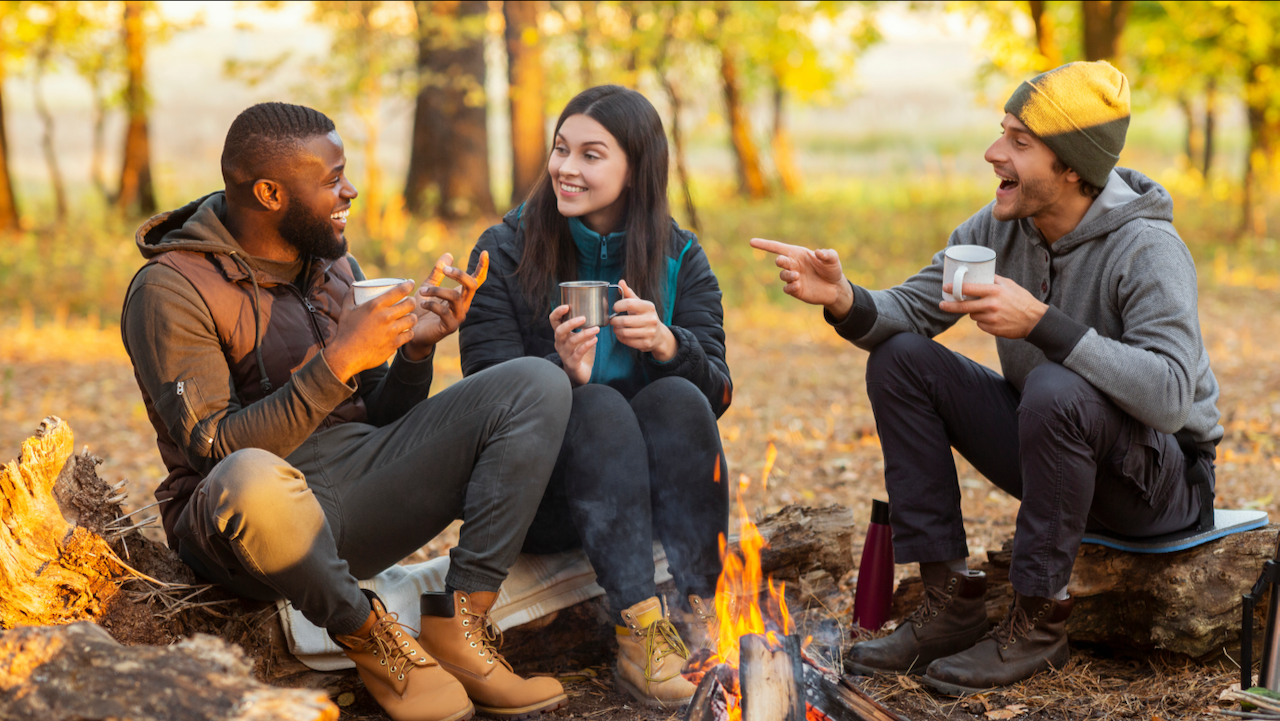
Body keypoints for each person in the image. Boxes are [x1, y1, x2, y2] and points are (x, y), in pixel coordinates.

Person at [752, 61, 1222, 694]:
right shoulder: (999, 230)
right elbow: (909, 312)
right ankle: (949, 601)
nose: (993, 152)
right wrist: (842, 298)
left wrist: (1042, 324)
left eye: (1020, 142)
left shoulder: (1147, 248)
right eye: (1003, 131)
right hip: (1057, 451)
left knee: (1056, 386)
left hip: (1157, 487)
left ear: (1073, 167)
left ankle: (1036, 624)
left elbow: (1169, 398)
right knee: (900, 358)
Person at [121, 102, 574, 721]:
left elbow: (381, 419)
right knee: (249, 476)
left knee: (534, 381)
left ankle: (460, 623)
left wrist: (413, 352)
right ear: (270, 192)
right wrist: (335, 363)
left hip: (356, 489)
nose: (350, 191)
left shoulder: (334, 264)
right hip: (253, 528)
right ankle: (372, 638)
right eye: (332, 179)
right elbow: (214, 449)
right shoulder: (172, 288)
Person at [458, 85, 732, 707]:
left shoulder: (679, 256)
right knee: (597, 404)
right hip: (543, 500)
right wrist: (556, 377)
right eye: (561, 151)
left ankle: (697, 610)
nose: (566, 169)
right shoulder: (503, 252)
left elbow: (716, 394)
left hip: (650, 502)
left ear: (636, 169)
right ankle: (641, 633)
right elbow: (479, 402)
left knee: (679, 397)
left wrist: (668, 344)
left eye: (591, 155)